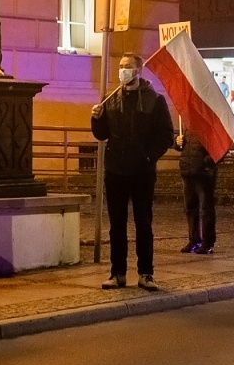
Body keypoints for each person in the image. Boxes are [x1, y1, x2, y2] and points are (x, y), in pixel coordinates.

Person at [92, 53, 174, 290]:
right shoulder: (111, 99)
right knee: (116, 224)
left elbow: (165, 135)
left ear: (138, 71)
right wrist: (96, 119)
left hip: (142, 172)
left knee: (143, 223)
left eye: (127, 67)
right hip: (116, 170)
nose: (122, 71)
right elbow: (101, 134)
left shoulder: (153, 100)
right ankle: (117, 273)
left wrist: (148, 157)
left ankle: (146, 273)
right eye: (120, 66)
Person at [175, 127, 218, 254]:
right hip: (188, 171)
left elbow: (219, 149)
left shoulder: (208, 126)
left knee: (206, 209)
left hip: (203, 173)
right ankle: (194, 240)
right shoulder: (187, 125)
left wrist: (207, 162)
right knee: (190, 208)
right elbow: (180, 147)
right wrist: (177, 142)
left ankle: (207, 242)